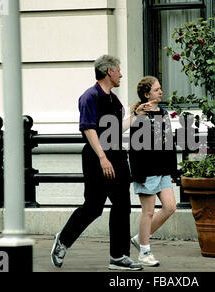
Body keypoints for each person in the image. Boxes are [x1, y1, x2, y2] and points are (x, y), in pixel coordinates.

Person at [50, 55, 152, 270]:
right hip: (98, 158)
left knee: (122, 206)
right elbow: (89, 129)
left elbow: (116, 130)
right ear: (109, 72)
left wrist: (136, 115)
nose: (121, 74)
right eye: (119, 71)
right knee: (93, 207)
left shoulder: (114, 100)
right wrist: (102, 158)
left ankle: (118, 257)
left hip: (117, 157)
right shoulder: (90, 97)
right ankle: (63, 240)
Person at [129, 76, 177, 267]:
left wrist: (173, 170)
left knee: (170, 207)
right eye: (156, 89)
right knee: (148, 212)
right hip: (146, 171)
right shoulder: (140, 116)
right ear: (147, 94)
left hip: (163, 170)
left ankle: (140, 237)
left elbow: (168, 143)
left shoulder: (163, 113)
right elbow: (134, 148)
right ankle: (144, 251)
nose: (160, 92)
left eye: (160, 88)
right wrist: (138, 174)